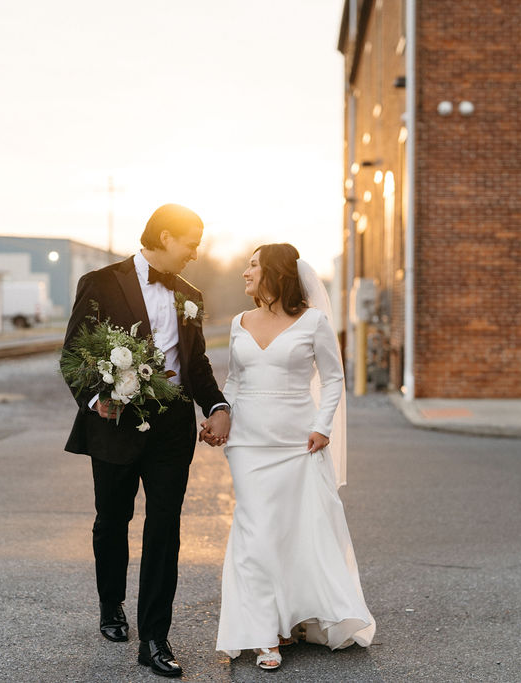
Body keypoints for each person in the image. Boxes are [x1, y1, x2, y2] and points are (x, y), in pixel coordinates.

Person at [61, 203, 231, 678]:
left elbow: (195, 365)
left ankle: (155, 636)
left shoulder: (191, 295)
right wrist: (97, 399)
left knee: (164, 529)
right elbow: (73, 352)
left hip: (172, 429)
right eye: (190, 243)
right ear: (163, 236)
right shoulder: (99, 282)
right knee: (112, 519)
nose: (195, 253)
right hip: (113, 423)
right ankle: (111, 605)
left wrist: (216, 406)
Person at [209, 243, 375, 671]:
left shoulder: (313, 322)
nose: (245, 271)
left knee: (291, 532)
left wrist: (323, 426)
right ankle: (264, 634)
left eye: (252, 265)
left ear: (275, 273)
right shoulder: (239, 322)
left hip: (299, 444)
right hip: (247, 444)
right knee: (255, 532)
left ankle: (289, 619)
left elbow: (334, 378)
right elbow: (235, 380)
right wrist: (220, 415)